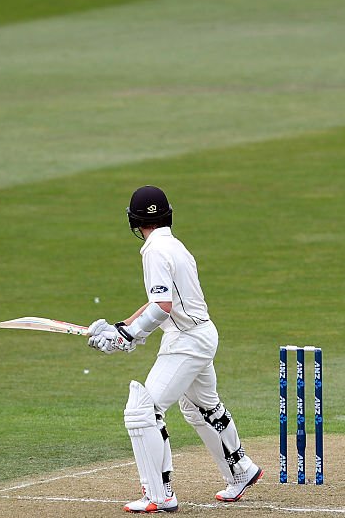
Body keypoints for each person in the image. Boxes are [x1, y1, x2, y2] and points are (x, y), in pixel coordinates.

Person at [86, 185, 262, 513]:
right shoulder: (175, 246)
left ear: (135, 221)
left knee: (143, 411)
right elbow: (160, 302)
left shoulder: (154, 250)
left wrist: (127, 338)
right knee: (201, 409)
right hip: (200, 334)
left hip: (186, 342)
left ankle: (159, 494)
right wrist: (121, 328)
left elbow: (163, 306)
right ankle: (241, 470)